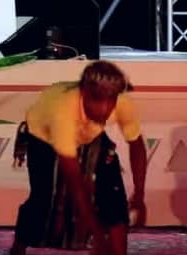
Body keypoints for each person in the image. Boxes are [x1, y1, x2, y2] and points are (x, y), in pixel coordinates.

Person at [10, 61, 146, 255]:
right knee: (44, 198)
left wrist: (139, 194)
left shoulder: (122, 102)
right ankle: (18, 248)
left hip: (89, 134)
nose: (105, 109)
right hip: (44, 137)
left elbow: (136, 144)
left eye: (111, 101)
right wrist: (98, 238)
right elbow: (75, 182)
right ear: (84, 93)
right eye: (97, 100)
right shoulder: (62, 111)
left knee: (112, 193)